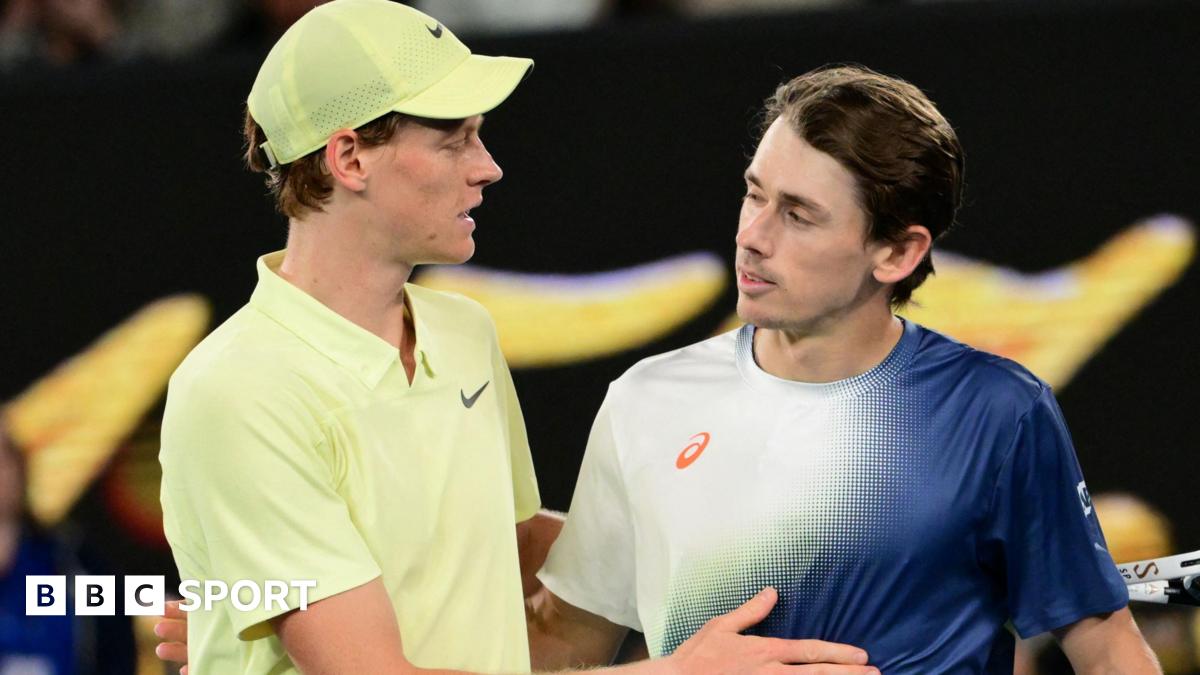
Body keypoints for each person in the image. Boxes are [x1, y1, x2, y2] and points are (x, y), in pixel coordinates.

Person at [157, 1, 875, 673]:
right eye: (453, 140)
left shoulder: (461, 331)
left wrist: (753, 550)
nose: (487, 167)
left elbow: (505, 547)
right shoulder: (237, 389)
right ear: (349, 159)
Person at [528, 65, 1163, 673]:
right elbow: (563, 638)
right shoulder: (647, 399)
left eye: (798, 215)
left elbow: (1108, 653)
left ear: (896, 252)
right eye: (755, 195)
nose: (753, 234)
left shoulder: (997, 412)